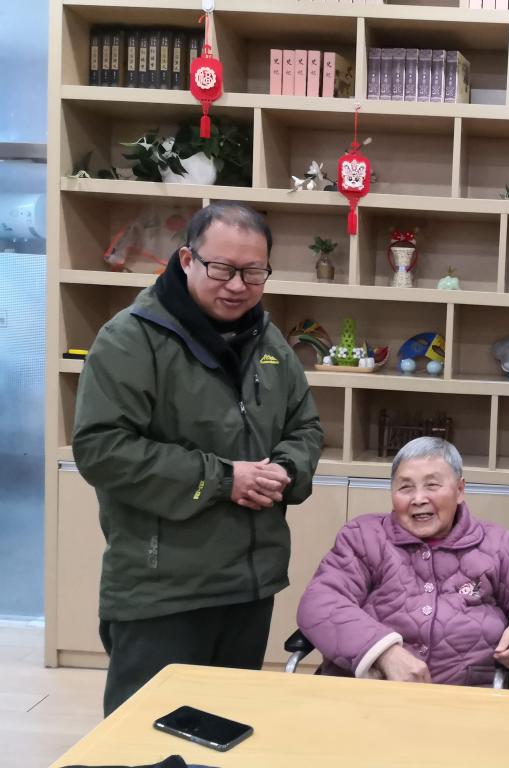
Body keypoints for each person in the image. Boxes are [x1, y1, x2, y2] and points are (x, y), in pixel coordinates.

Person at [72, 201, 324, 716]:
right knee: (147, 737)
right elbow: (101, 448)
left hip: (249, 585)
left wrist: (287, 469)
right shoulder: (132, 337)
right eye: (222, 269)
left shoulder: (267, 339)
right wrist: (223, 479)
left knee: (227, 733)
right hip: (161, 589)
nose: (238, 286)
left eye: (254, 272)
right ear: (187, 259)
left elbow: (305, 427)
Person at [297, 437, 509, 685]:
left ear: (460, 490)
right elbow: (320, 602)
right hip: (369, 695)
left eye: (432, 485)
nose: (418, 499)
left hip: (467, 703)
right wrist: (383, 653)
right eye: (405, 487)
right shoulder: (363, 537)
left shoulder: (496, 544)